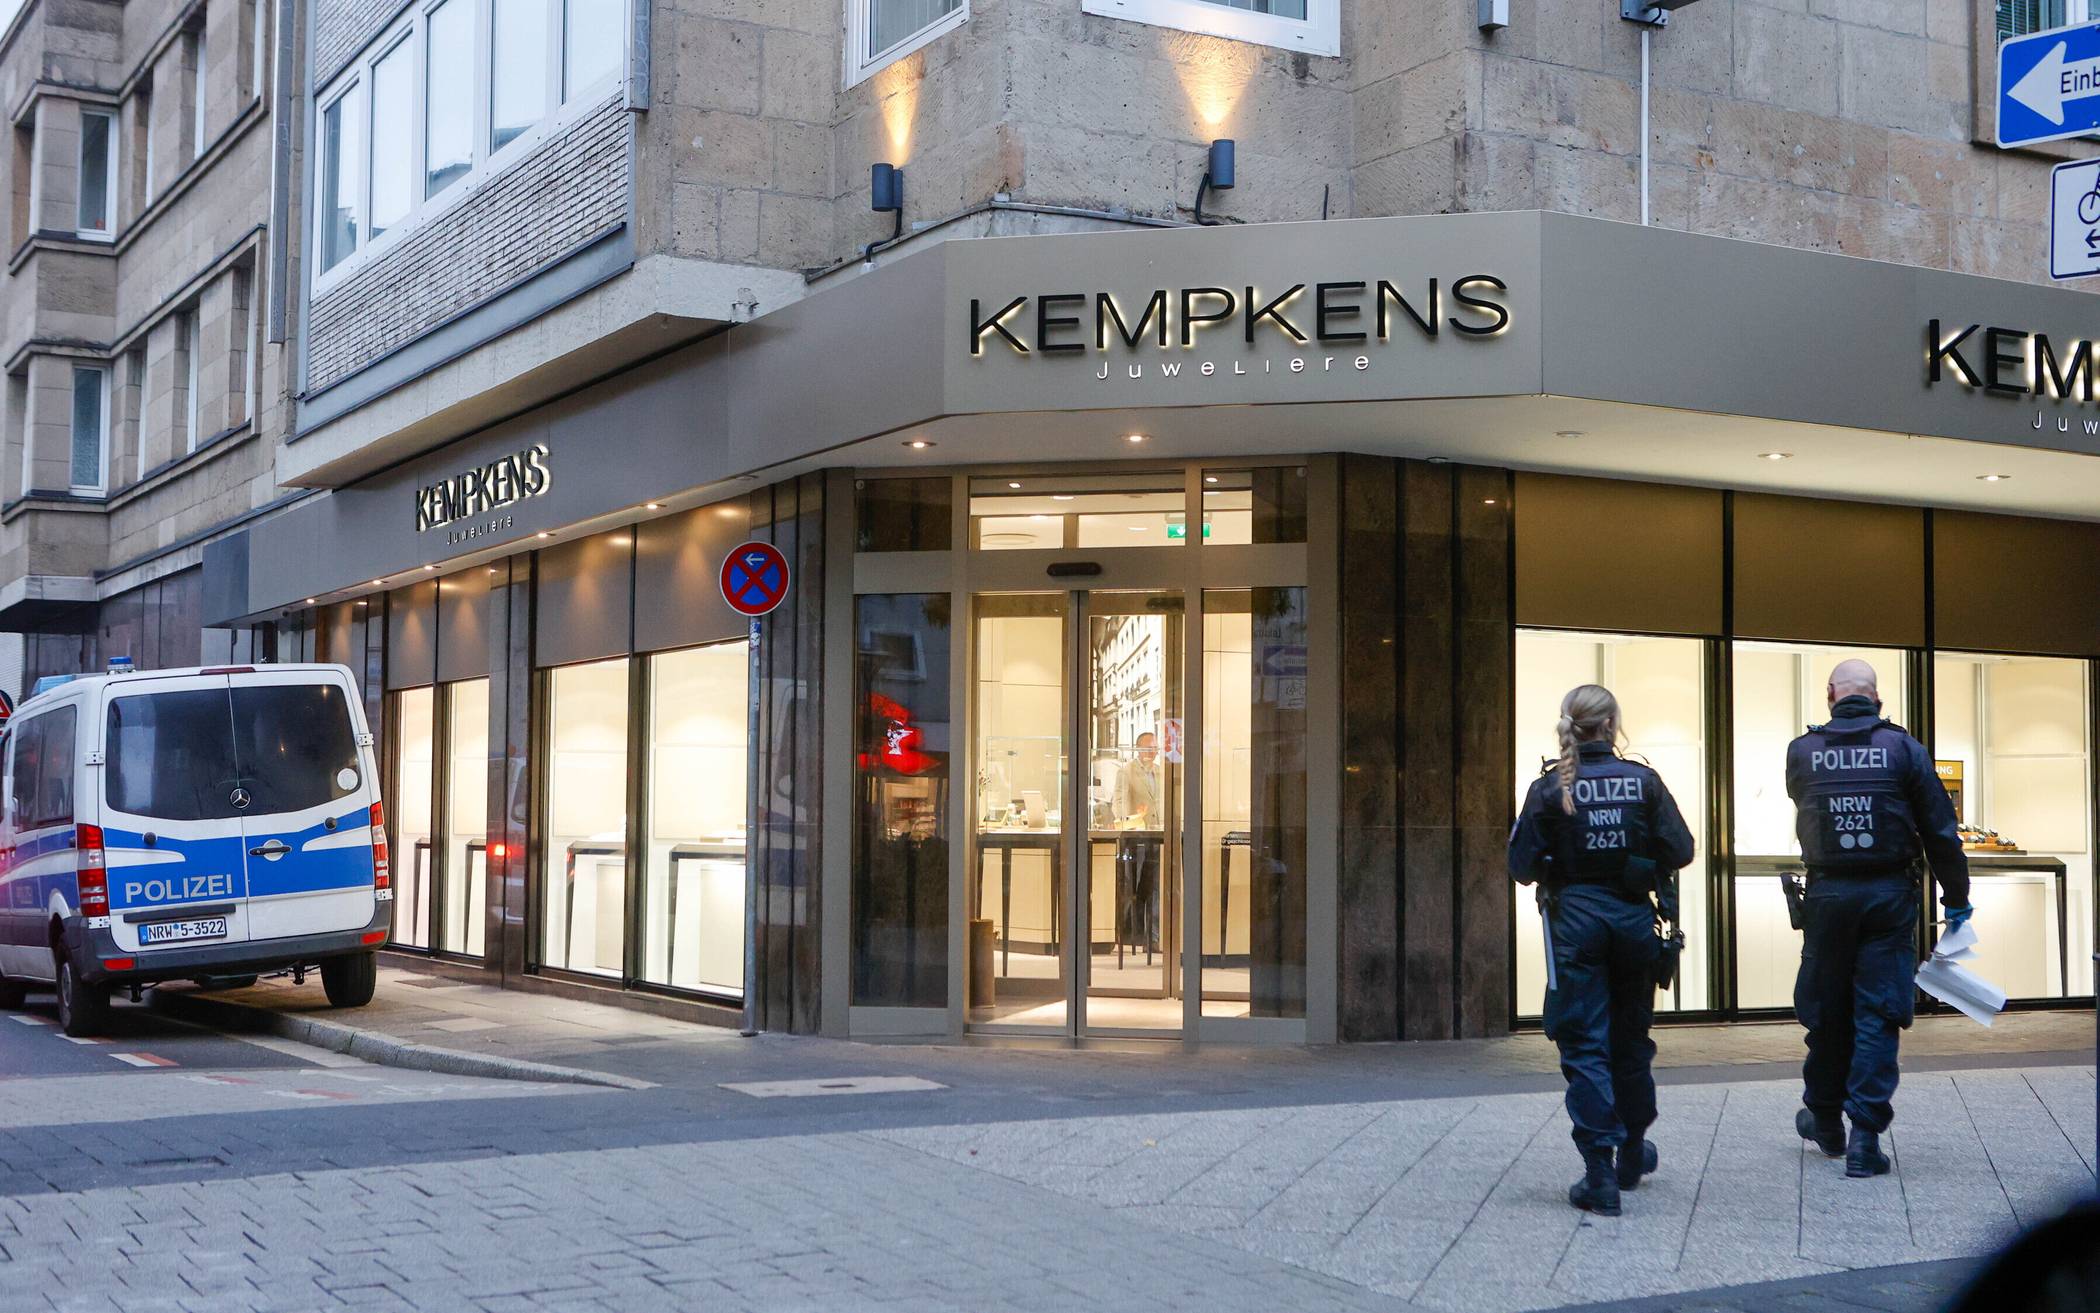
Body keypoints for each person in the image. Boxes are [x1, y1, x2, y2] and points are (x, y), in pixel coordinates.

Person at [1509, 685, 1695, 1216]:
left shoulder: (1549, 787)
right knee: (1631, 1042)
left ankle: (1600, 1172)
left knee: (1585, 1044)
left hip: (1575, 926)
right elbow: (1681, 849)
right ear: (1612, 724)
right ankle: (1632, 1151)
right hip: (1634, 924)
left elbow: (1521, 867)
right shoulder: (1643, 781)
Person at [1787, 659, 1971, 1178]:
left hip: (1827, 895)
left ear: (1831, 694)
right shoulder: (1904, 749)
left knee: (1827, 1009)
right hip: (1889, 895)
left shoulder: (1802, 751)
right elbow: (1940, 831)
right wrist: (1956, 898)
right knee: (1878, 1013)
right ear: (1877, 699)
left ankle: (1826, 1119)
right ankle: (1864, 1138)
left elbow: (1803, 800)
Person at [1114, 732, 1163, 956]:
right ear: (1138, 748)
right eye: (1148, 748)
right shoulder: (1127, 771)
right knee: (1132, 886)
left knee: (1154, 886)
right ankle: (1131, 934)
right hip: (1135, 838)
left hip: (1158, 836)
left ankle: (1153, 937)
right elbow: (1119, 801)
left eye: (1155, 748)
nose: (1152, 752)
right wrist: (1127, 822)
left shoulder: (1160, 771)